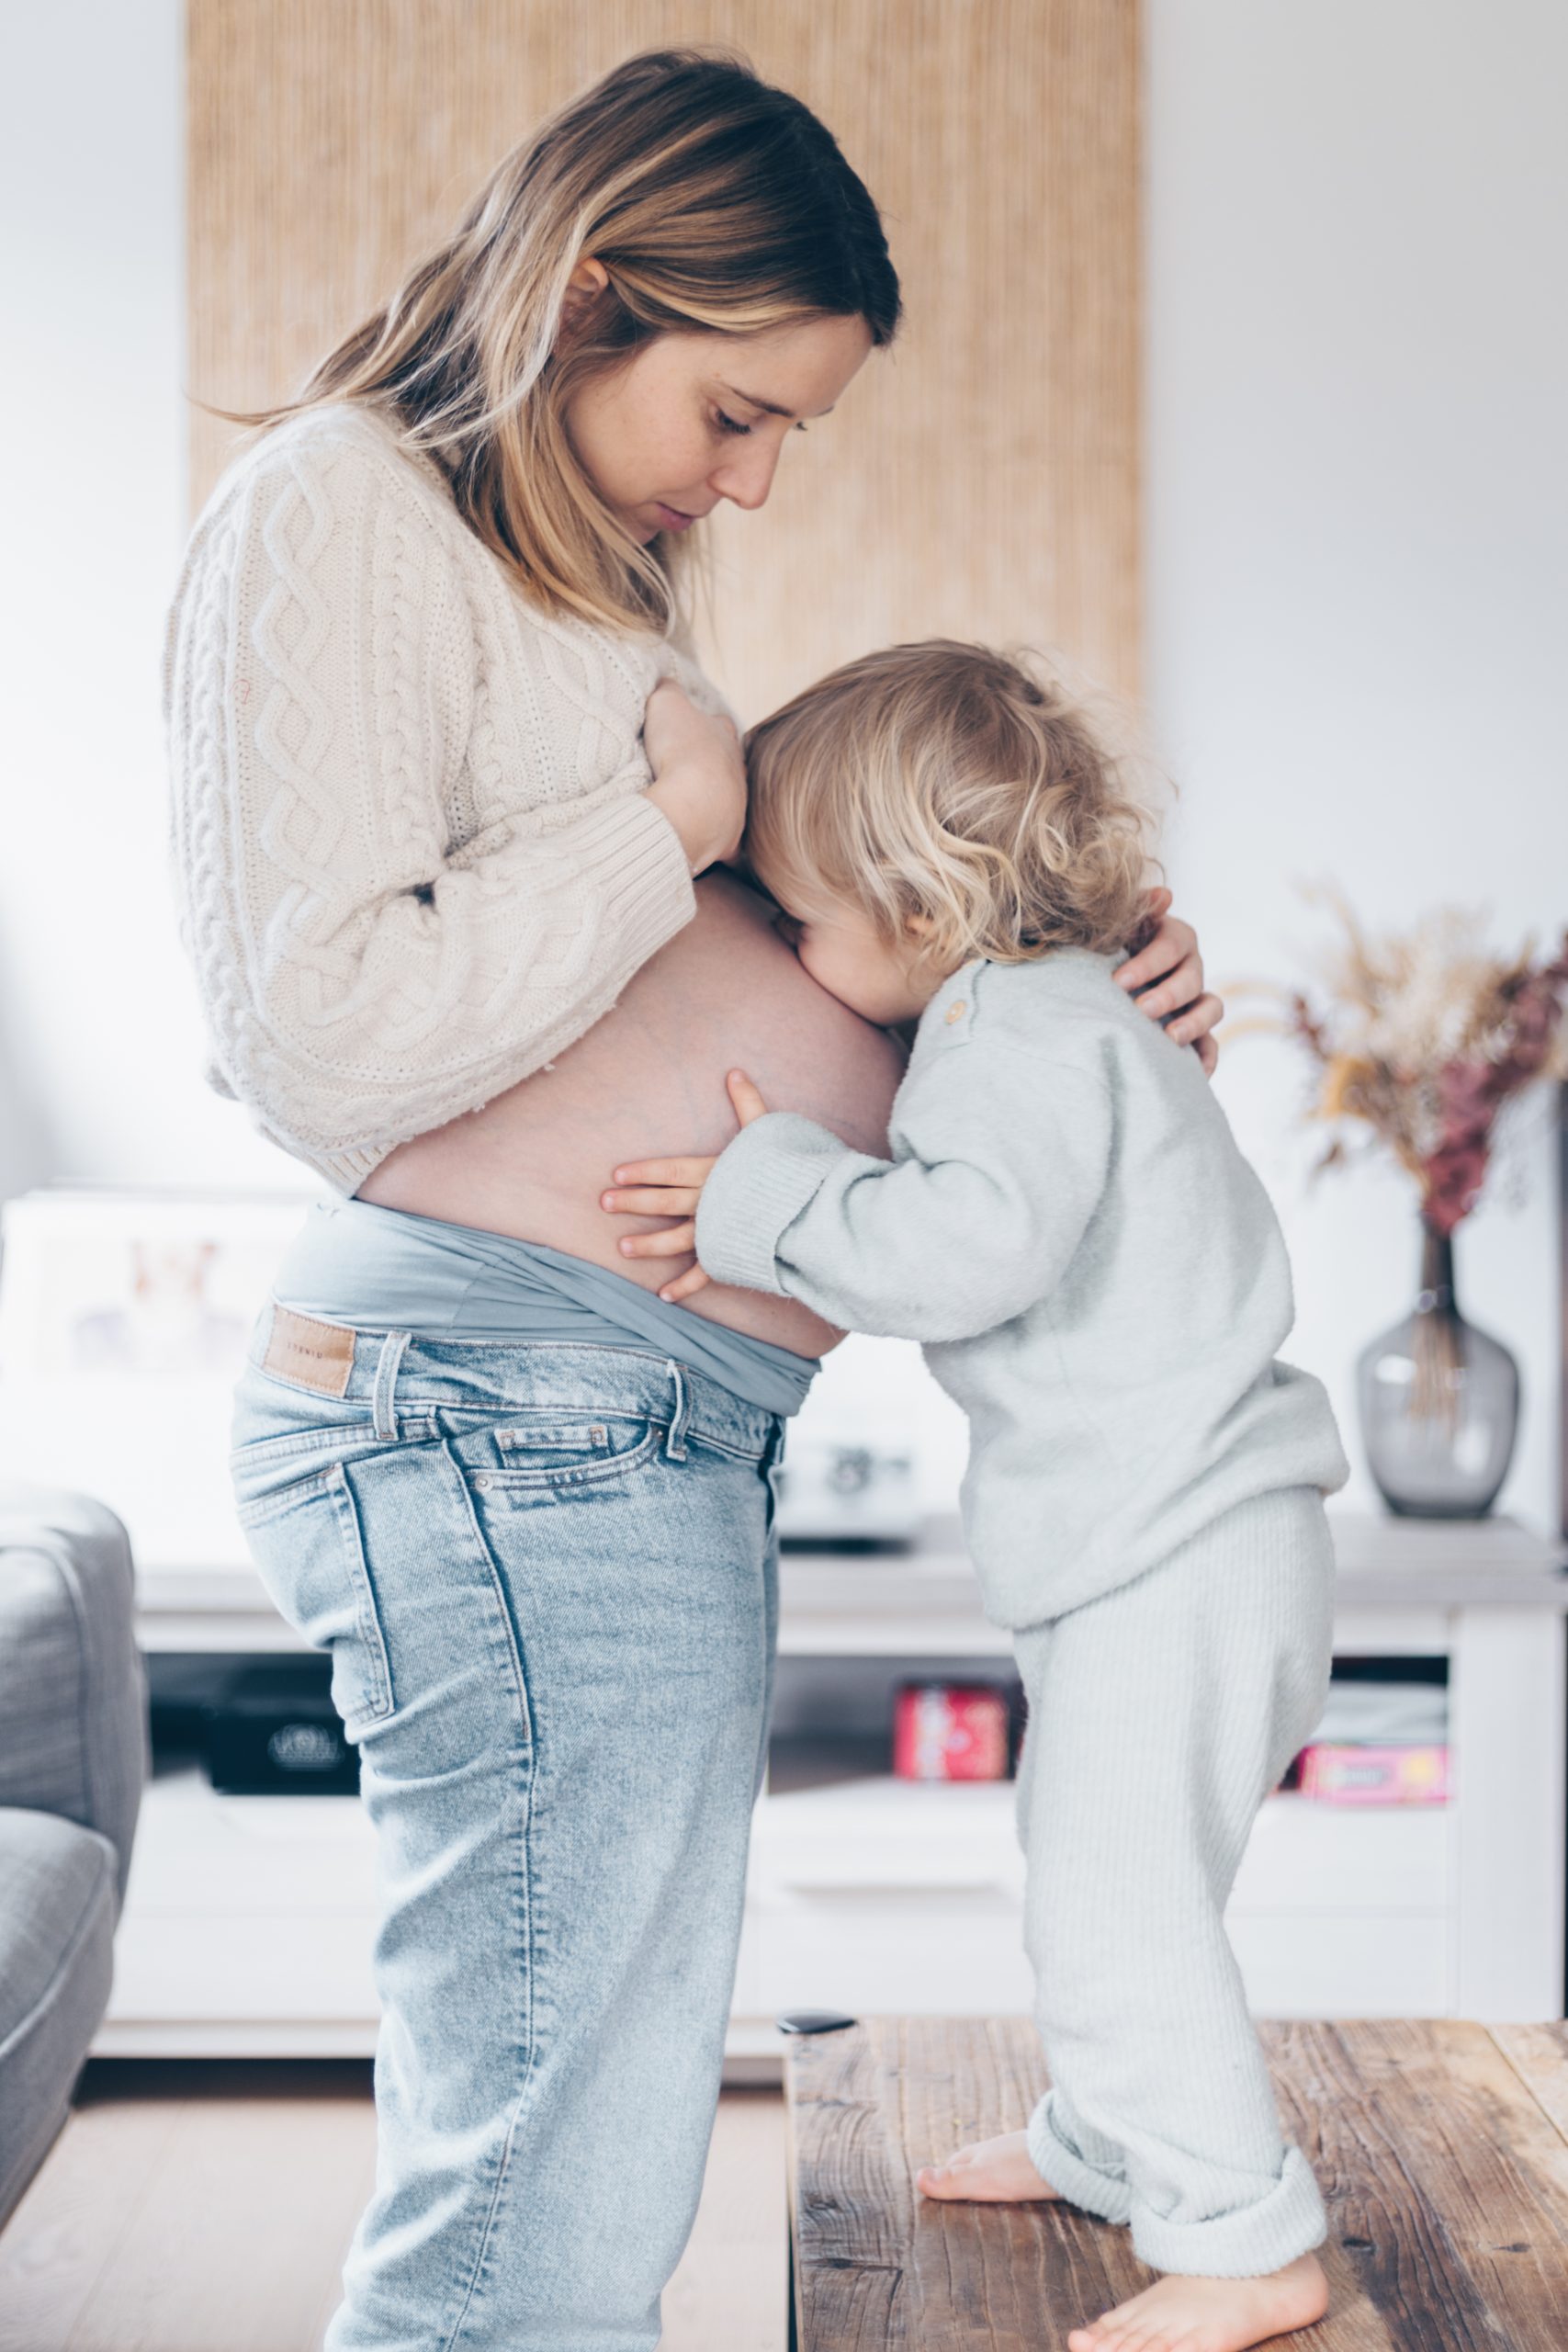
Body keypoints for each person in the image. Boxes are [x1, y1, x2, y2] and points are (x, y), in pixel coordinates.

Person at [165, 50, 1224, 2351]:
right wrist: (673, 815)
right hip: (503, 1395)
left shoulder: (573, 568)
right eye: (736, 413)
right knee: (543, 2170)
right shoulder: (340, 508)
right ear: (585, 295)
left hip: (603, 1417)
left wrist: (1053, 1002)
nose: (745, 483)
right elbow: (323, 1031)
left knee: (589, 2132)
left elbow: (707, 964)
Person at [603, 639, 1349, 2352]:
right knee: (1119, 1872)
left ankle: (1241, 2238)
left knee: (1116, 1896)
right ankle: (1115, 2138)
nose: (788, 952)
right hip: (1195, 1540)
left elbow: (965, 1250)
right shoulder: (1071, 1014)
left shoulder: (1006, 1028)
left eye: (793, 918)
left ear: (916, 900)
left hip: (1179, 1547)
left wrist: (766, 1190)